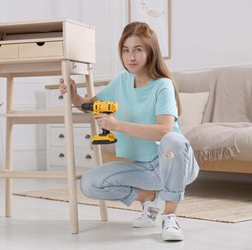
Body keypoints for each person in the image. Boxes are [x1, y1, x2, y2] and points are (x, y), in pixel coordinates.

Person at [59, 21, 199, 241]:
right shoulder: (122, 81)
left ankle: (170, 216)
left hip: (172, 163)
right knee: (89, 183)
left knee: (174, 139)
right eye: (126, 50)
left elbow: (164, 130)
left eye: (137, 50)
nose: (130, 57)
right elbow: (92, 104)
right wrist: (74, 96)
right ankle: (150, 198)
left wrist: (118, 125)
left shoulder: (162, 85)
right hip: (143, 169)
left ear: (150, 52)